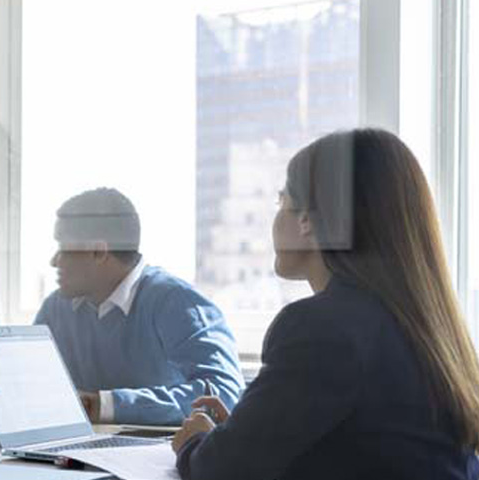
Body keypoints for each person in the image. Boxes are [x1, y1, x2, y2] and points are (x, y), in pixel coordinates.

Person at [172, 129, 479, 479]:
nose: (275, 218)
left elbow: (220, 471)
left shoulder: (320, 327)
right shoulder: (428, 327)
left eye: (282, 201)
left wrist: (195, 442)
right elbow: (362, 451)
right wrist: (241, 433)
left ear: (307, 220)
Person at [33, 187, 244, 426]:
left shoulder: (177, 302)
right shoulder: (55, 309)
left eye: (63, 248)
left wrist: (105, 406)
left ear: (98, 251)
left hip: (162, 449)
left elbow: (224, 394)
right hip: (75, 446)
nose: (54, 261)